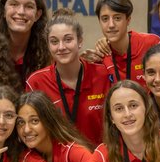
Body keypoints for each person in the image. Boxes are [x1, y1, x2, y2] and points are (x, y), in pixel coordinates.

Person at [24, 9, 112, 144]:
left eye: (68, 39)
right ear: (48, 45)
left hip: (99, 160)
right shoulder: (36, 82)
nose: (61, 47)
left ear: (80, 41)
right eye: (54, 41)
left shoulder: (103, 75)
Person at [91, 0, 160, 85]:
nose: (111, 25)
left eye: (117, 18)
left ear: (128, 20)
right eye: (105, 19)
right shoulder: (100, 57)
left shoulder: (152, 44)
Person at [0, 0, 49, 79]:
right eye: (14, 4)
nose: (21, 12)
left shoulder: (49, 56)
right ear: (3, 10)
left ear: (37, 15)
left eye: (29, 6)